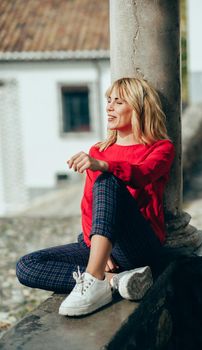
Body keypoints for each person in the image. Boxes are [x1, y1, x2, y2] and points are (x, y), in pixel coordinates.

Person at [16, 77, 175, 317]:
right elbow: (89, 208)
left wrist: (104, 166)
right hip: (101, 249)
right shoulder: (98, 151)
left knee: (107, 180)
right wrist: (99, 252)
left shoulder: (160, 148)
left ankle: (91, 279)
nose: (109, 107)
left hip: (138, 246)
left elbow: (142, 175)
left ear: (139, 108)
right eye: (108, 100)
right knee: (27, 267)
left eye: (118, 102)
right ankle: (115, 281)